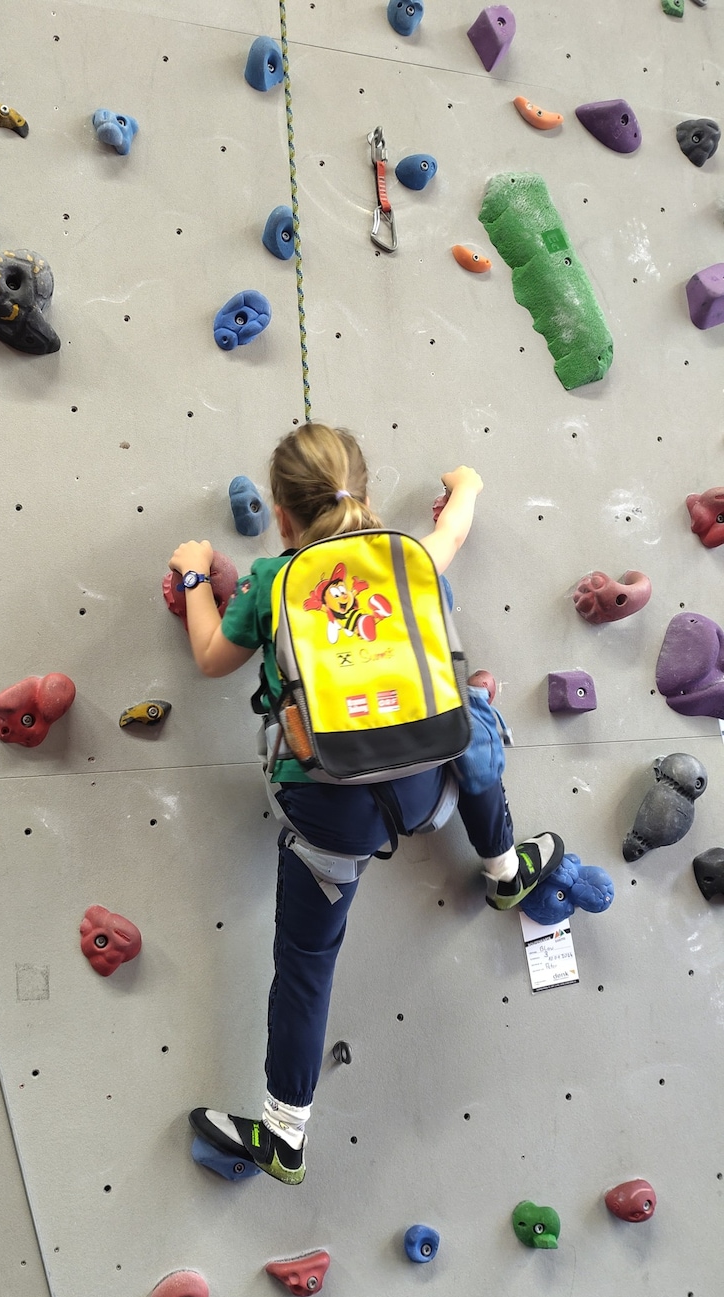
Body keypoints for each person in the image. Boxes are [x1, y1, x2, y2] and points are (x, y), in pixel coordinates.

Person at [169, 423, 563, 1185]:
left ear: (281, 516)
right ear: (368, 493)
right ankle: (505, 868)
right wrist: (466, 482)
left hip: (330, 812)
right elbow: (453, 525)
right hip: (429, 787)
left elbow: (213, 656)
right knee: (471, 718)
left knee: (306, 962)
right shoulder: (411, 560)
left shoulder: (271, 581)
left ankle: (285, 1134)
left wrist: (192, 577)